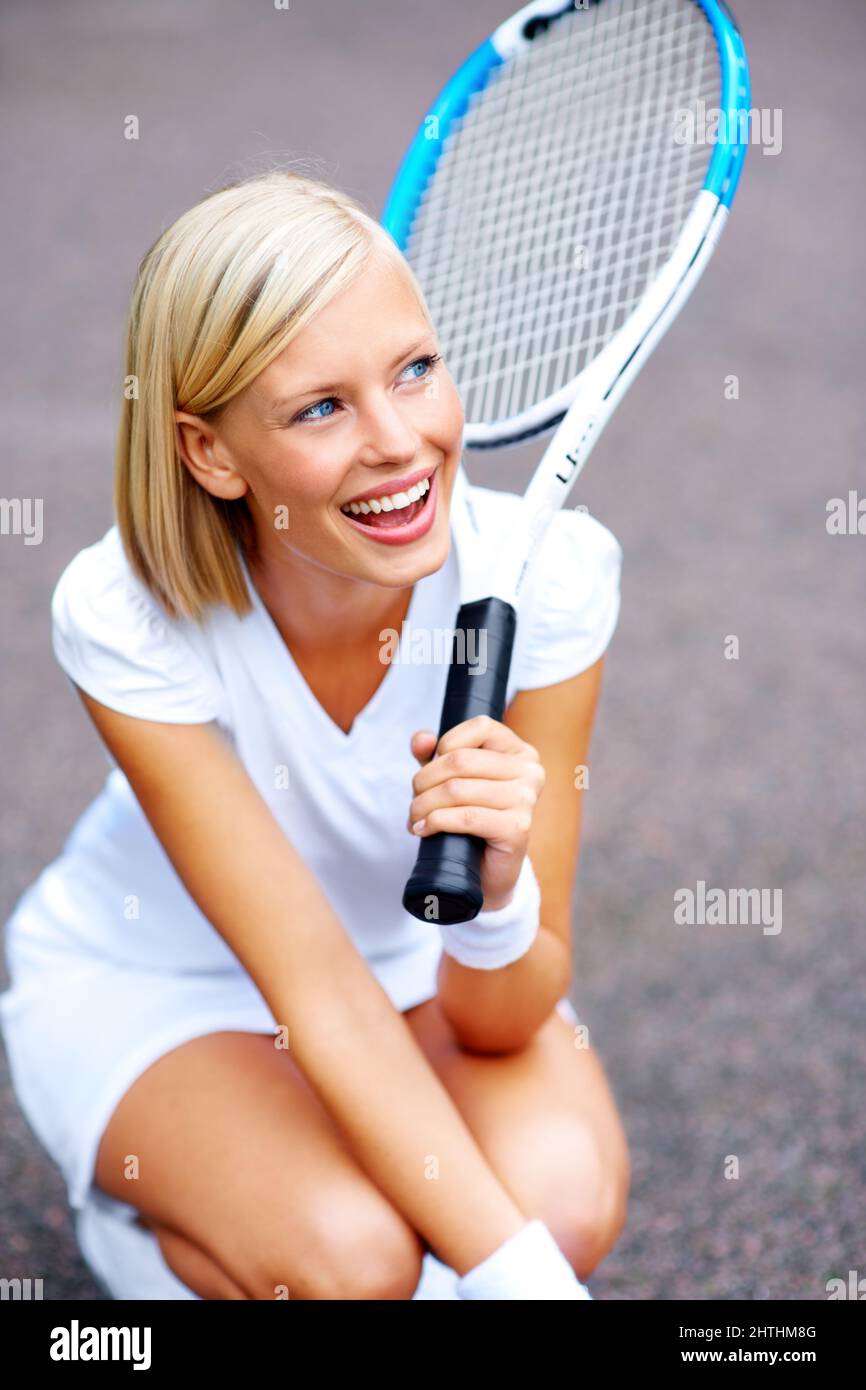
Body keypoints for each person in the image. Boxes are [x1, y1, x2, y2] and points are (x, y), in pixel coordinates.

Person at [0, 169, 630, 1300]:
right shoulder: (125, 616)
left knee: (560, 1197)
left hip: (408, 976)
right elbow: (315, 991)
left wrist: (492, 902)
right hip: (163, 981)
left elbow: (502, 1015)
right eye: (319, 407)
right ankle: (147, 1249)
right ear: (210, 453)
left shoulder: (556, 577)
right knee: (353, 1261)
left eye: (414, 371)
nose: (398, 441)